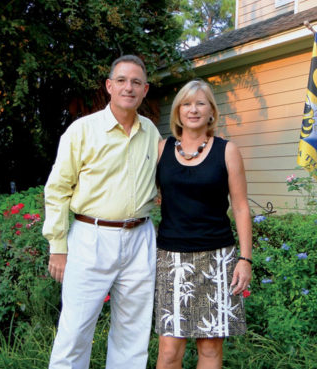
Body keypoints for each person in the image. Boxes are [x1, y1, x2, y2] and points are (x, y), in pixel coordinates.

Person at [42, 55, 161, 369]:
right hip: (90, 237)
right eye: (121, 80)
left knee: (133, 334)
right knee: (75, 331)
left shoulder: (151, 132)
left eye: (136, 82)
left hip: (140, 239)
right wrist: (58, 246)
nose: (129, 87)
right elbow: (56, 190)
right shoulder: (82, 131)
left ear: (145, 89)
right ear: (109, 86)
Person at [154, 80, 253, 369]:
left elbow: (241, 207)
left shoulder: (227, 150)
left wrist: (245, 258)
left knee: (209, 348)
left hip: (217, 259)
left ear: (211, 111)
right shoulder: (162, 149)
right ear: (177, 111)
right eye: (186, 103)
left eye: (200, 103)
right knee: (170, 349)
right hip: (171, 260)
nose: (193, 109)